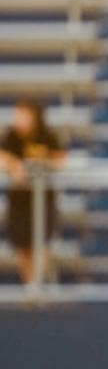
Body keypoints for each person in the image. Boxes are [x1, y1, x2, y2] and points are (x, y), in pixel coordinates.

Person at [1, 99, 68, 285]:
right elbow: (2, 156)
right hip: (20, 201)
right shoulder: (11, 136)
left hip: (43, 200)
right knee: (24, 246)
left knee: (41, 244)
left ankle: (39, 284)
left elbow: (62, 159)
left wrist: (44, 163)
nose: (19, 119)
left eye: (23, 115)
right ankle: (30, 286)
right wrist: (14, 165)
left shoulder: (46, 135)